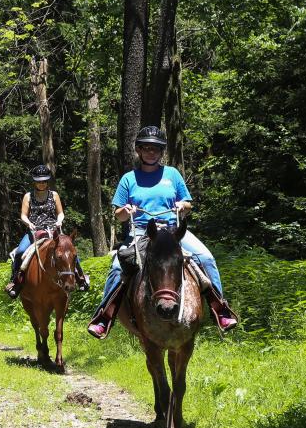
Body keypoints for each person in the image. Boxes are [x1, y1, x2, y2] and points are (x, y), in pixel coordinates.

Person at [86, 126, 238, 339]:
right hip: (141, 233)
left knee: (207, 258)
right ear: (139, 150)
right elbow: (118, 214)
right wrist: (126, 210)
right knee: (117, 268)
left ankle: (220, 309)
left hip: (173, 231)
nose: (151, 152)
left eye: (156, 149)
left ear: (161, 151)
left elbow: (188, 204)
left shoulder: (172, 174)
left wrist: (182, 206)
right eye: (146, 148)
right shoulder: (129, 179)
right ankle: (104, 316)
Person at [4, 164, 90, 298]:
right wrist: (29, 223)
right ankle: (15, 281)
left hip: (53, 230)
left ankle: (80, 278)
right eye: (39, 181)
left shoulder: (54, 195)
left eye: (44, 181)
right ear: (35, 181)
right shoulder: (28, 196)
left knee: (70, 251)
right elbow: (23, 215)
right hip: (34, 230)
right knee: (20, 251)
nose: (42, 184)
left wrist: (59, 221)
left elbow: (60, 213)